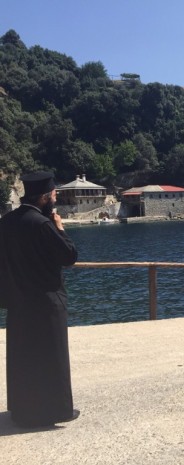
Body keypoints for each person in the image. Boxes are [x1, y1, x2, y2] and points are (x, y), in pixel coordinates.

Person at [0, 171, 79, 428]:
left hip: (18, 301)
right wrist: (60, 228)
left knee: (23, 357)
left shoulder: (6, 222)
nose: (55, 199)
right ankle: (55, 411)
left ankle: (22, 411)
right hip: (46, 302)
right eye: (54, 195)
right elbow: (68, 256)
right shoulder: (43, 224)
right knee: (51, 357)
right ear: (45, 197)